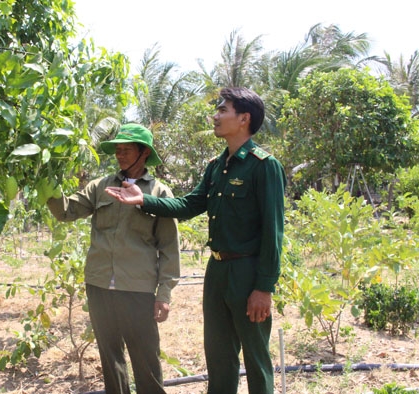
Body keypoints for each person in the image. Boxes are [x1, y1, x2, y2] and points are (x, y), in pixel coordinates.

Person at [106, 87, 286, 394]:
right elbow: (188, 206)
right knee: (218, 354)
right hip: (216, 271)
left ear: (244, 119)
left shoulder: (263, 165)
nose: (215, 116)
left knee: (256, 357)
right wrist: (143, 200)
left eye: (222, 110)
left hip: (248, 272)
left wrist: (264, 287)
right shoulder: (217, 166)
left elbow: (273, 231)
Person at [46, 123, 180, 394]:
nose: (120, 154)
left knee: (146, 360)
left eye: (127, 149)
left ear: (144, 153)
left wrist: (164, 294)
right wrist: (47, 181)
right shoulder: (100, 186)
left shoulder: (158, 193)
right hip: (99, 285)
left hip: (137, 289)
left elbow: (169, 247)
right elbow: (66, 211)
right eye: (117, 149)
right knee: (110, 358)